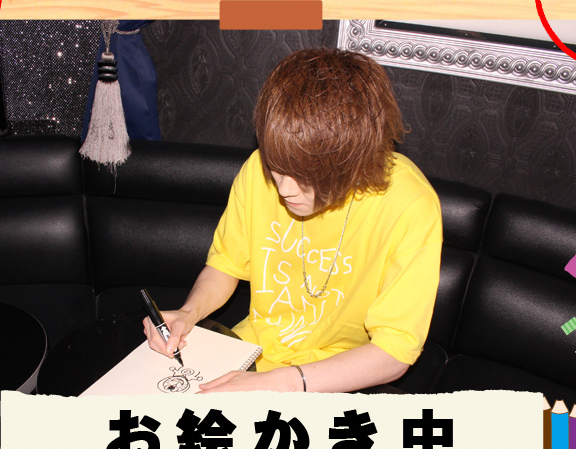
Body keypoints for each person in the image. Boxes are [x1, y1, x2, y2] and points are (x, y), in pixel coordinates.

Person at [143, 48, 442, 393]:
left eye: (305, 175)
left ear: (352, 162)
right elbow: (226, 264)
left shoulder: (409, 204)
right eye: (276, 167)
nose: (284, 189)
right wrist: (188, 313)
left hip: (337, 378)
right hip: (247, 355)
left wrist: (280, 383)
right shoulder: (257, 170)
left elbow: (394, 353)